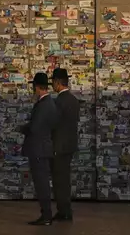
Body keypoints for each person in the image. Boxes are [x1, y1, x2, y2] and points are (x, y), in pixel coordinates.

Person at [22, 72, 58, 226]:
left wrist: (22, 128)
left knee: (41, 183)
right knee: (42, 181)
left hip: (38, 148)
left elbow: (35, 127)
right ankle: (46, 214)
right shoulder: (50, 103)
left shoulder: (43, 104)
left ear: (36, 87)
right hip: (43, 147)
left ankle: (46, 215)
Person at [50, 68, 80, 222]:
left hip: (58, 146)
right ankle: (65, 208)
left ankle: (64, 211)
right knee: (65, 179)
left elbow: (53, 125)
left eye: (52, 82)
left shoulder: (58, 101)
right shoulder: (74, 100)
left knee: (59, 180)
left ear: (57, 83)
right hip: (69, 145)